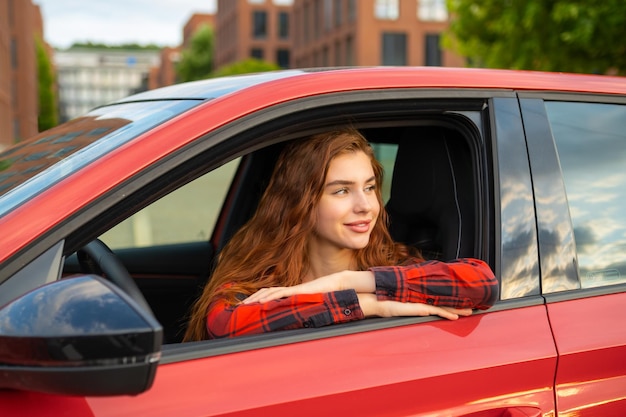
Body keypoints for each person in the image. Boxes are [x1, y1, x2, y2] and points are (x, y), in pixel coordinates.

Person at [183, 128, 498, 341]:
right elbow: (225, 324)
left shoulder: (394, 265)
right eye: (342, 191)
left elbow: (481, 283)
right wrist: (365, 305)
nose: (366, 206)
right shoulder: (264, 277)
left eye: (370, 188)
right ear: (302, 203)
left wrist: (347, 282)